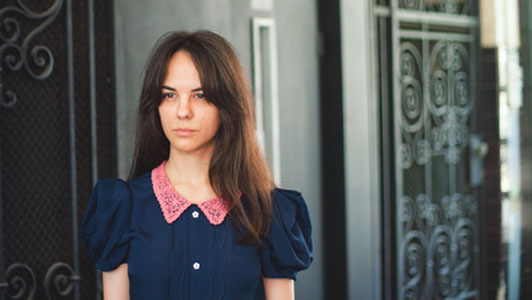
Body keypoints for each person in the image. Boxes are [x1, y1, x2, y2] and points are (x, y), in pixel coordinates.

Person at [80, 30, 313, 300]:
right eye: (169, 95)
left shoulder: (269, 212)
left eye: (199, 95)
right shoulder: (122, 207)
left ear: (227, 104)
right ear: (154, 104)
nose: (182, 111)